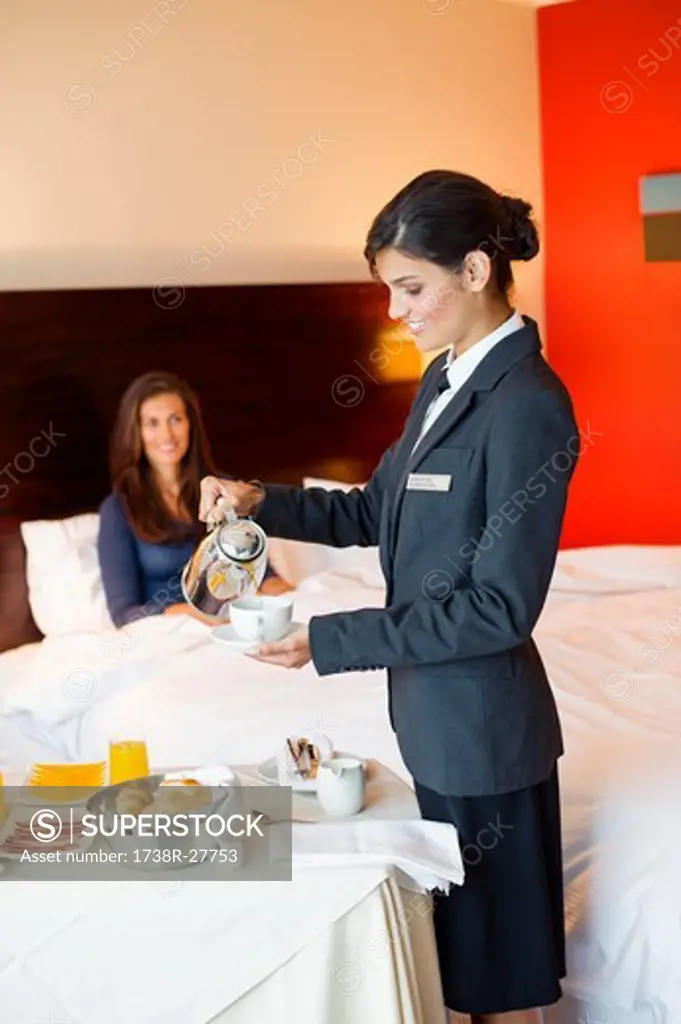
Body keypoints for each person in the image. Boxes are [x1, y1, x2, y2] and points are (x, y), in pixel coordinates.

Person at [198, 170, 578, 1024]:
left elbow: (499, 610)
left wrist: (329, 641)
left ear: (475, 272)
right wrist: (263, 497)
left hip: (488, 737)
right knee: (467, 975)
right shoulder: (446, 379)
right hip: (439, 725)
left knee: (504, 989)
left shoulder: (526, 406)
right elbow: (376, 509)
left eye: (410, 287)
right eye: (390, 290)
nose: (395, 311)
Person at [98, 371, 286, 629]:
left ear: (190, 424)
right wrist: (194, 615)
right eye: (153, 423)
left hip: (239, 622)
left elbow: (262, 575)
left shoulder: (223, 490)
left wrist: (294, 597)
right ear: (136, 432)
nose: (166, 435)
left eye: (175, 419)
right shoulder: (118, 509)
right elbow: (124, 613)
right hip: (172, 633)